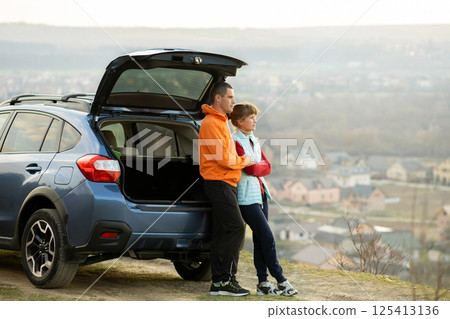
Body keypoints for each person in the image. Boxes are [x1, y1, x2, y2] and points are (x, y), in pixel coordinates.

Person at [230, 102, 298, 296]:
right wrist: (256, 165)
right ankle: (282, 280)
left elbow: (267, 167)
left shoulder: (253, 140)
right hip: (246, 198)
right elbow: (250, 168)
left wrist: (256, 165)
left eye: (255, 117)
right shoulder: (235, 141)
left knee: (261, 239)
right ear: (239, 121)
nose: (255, 120)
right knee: (267, 237)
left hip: (260, 195)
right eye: (251, 117)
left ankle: (263, 283)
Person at [199, 82, 254, 296]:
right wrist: (244, 160)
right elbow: (223, 159)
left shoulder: (221, 122)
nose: (234, 101)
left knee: (223, 233)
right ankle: (226, 281)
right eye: (230, 97)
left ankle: (219, 283)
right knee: (237, 228)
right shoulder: (212, 122)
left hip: (226, 183)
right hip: (219, 182)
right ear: (218, 98)